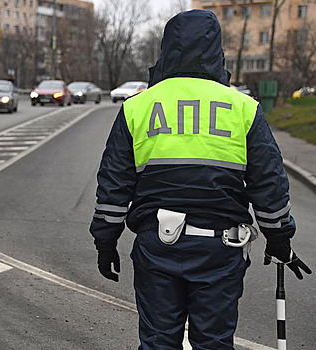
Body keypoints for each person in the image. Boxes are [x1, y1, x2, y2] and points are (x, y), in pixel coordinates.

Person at [89, 9, 311, 350]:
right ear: (216, 51)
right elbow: (269, 184)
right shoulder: (243, 108)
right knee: (213, 343)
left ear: (166, 50)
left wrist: (106, 242)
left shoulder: (137, 107)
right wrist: (279, 239)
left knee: (158, 342)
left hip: (156, 248)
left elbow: (114, 186)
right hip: (219, 250)